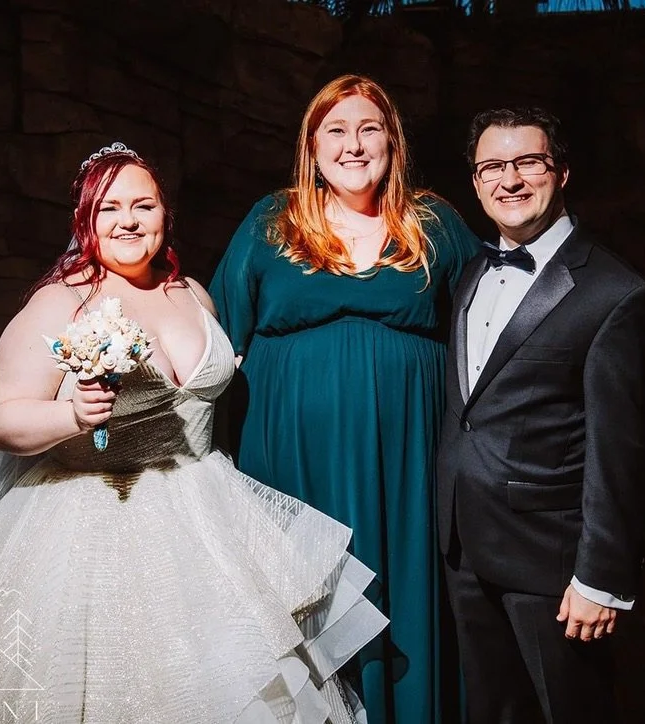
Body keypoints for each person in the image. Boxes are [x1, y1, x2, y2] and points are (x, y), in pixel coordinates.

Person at [0, 143, 387, 723]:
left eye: (144, 205)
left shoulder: (191, 294)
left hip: (204, 508)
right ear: (86, 220)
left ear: (165, 215)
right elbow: (0, 420)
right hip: (89, 518)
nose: (128, 220)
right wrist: (72, 416)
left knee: (233, 676)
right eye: (110, 208)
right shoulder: (64, 301)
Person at [209, 75, 479, 724]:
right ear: (312, 146)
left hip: (408, 464)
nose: (353, 145)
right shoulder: (273, 221)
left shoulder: (435, 224)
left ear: (393, 142)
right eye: (335, 130)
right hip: (290, 462)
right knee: (302, 609)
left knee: (402, 601)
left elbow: (489, 328)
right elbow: (215, 336)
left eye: (368, 129)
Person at [437, 107, 645, 724]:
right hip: (464, 549)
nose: (509, 180)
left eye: (527, 163)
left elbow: (623, 453)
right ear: (476, 181)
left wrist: (601, 579)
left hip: (551, 567)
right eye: (491, 166)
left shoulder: (616, 294)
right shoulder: (474, 270)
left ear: (561, 171)